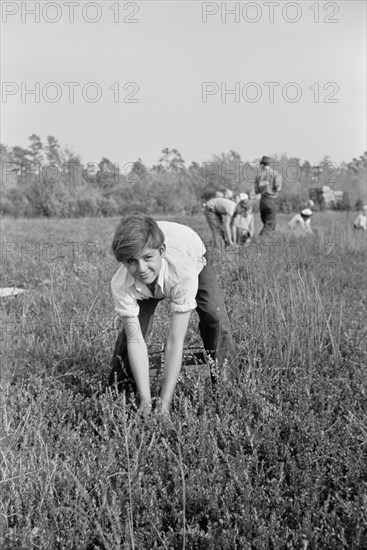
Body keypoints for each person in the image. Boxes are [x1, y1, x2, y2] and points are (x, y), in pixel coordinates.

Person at [109, 213, 237, 415]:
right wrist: (146, 400)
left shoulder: (183, 273)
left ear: (161, 251)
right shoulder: (121, 283)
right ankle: (121, 389)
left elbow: (175, 341)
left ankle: (226, 387)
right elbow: (136, 341)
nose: (141, 269)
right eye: (132, 261)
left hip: (191, 252)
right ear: (123, 262)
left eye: (148, 258)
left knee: (214, 316)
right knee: (132, 334)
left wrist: (165, 402)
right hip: (156, 273)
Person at [253, 156, 282, 236]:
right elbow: (278, 188)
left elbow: (256, 191)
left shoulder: (258, 176)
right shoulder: (275, 174)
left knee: (267, 223)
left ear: (262, 164)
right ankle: (259, 240)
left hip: (262, 202)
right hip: (271, 200)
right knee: (269, 224)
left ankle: (269, 242)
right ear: (270, 164)